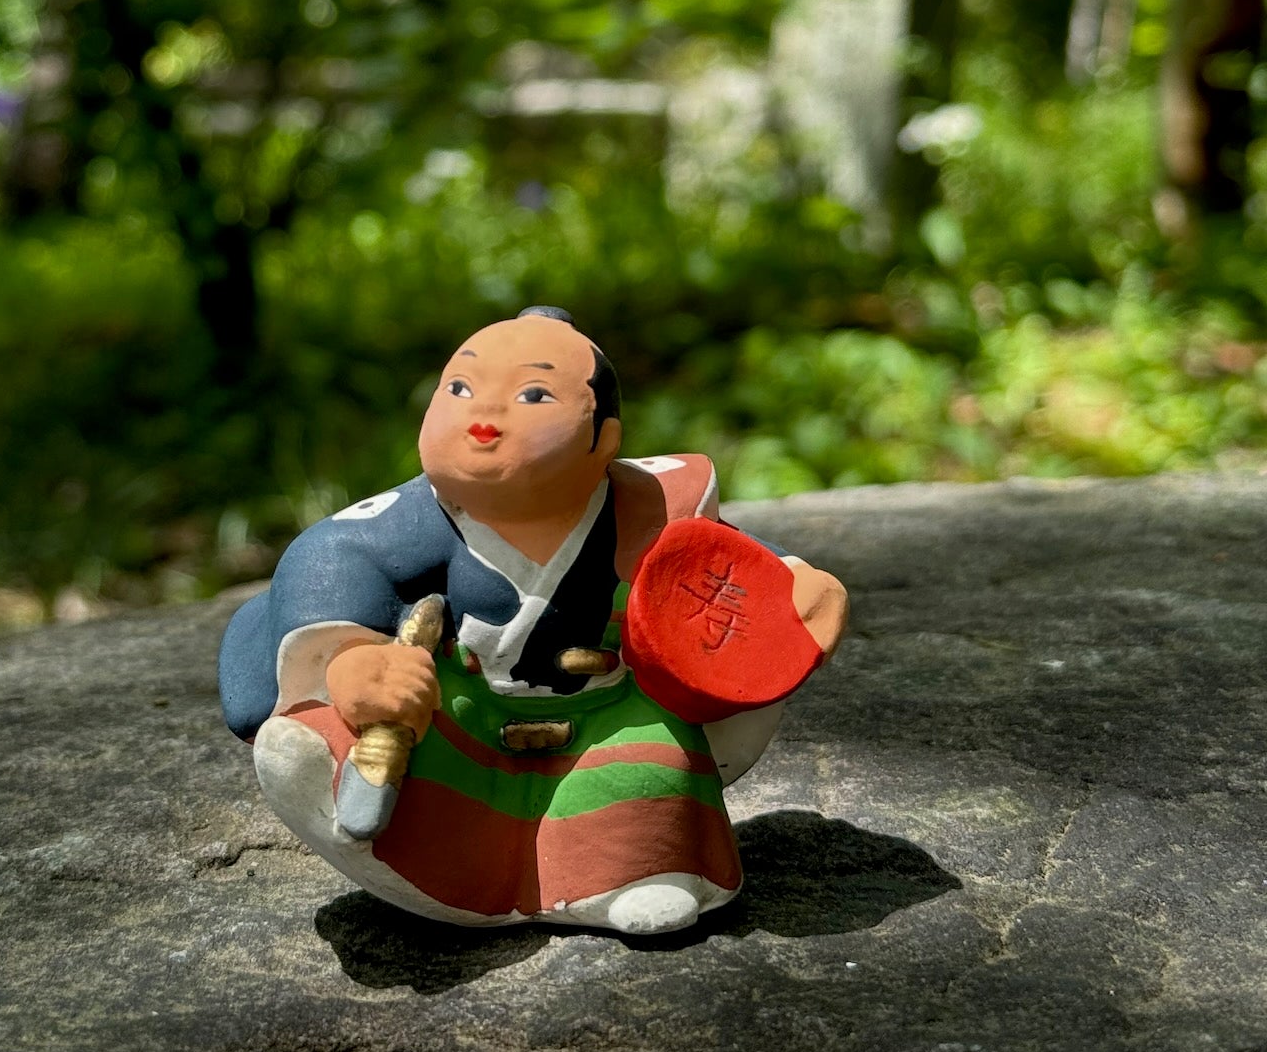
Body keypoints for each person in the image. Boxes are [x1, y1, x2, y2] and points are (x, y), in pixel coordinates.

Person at [219, 307, 848, 934]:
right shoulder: (401, 522)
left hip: (609, 708)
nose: (483, 417)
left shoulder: (649, 507)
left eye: (533, 394)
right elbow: (327, 559)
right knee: (378, 747)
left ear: (603, 437)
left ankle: (623, 870)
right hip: (465, 700)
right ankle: (399, 844)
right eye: (460, 389)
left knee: (649, 765)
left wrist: (791, 600)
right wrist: (354, 657)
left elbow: (726, 571)